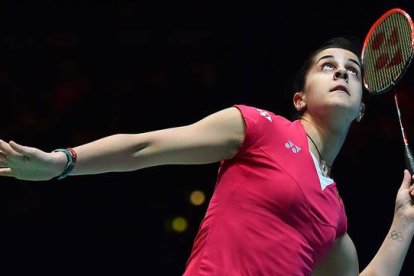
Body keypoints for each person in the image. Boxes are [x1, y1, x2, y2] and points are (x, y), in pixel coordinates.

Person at [0, 36, 413, 276]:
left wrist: (404, 222)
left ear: (361, 108)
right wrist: (62, 162)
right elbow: (147, 147)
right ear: (299, 98)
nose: (341, 72)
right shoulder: (258, 127)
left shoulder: (335, 214)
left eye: (353, 70)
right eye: (327, 66)